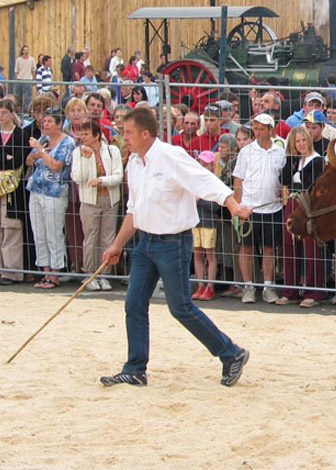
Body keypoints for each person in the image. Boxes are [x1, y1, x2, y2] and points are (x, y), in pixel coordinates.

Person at [99, 107, 252, 388]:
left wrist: (232, 205)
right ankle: (134, 368)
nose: (125, 137)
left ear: (146, 134)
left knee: (180, 307)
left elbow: (204, 180)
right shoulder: (134, 163)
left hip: (173, 243)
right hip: (145, 242)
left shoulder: (171, 156)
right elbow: (134, 210)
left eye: (129, 133)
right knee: (134, 304)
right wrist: (117, 245)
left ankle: (231, 353)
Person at [232, 113, 286, 304]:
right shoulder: (246, 152)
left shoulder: (280, 151)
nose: (258, 131)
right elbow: (237, 179)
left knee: (270, 249)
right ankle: (248, 287)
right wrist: (238, 207)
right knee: (246, 248)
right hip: (249, 208)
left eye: (262, 128)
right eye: (255, 128)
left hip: (273, 208)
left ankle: (268, 287)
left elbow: (283, 180)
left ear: (271, 130)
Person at [0, 99, 32, 284]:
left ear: (12, 113)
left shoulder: (20, 135)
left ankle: (11, 271)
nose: (0, 116)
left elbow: (17, 159)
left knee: (10, 227)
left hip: (13, 186)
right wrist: (3, 158)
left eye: (4, 112)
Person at [71, 118, 123, 291]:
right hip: (89, 201)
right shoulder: (78, 152)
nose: (82, 137)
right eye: (81, 133)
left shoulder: (112, 151)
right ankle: (89, 274)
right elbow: (78, 177)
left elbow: (118, 176)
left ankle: (104, 274)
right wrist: (86, 159)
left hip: (109, 199)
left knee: (107, 237)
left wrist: (101, 180)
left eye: (86, 134)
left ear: (97, 136)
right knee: (90, 238)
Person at [25, 109, 75, 289]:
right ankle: (44, 271)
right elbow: (29, 161)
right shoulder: (42, 140)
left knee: (53, 233)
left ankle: (54, 273)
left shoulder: (67, 142)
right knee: (39, 233)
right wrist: (37, 152)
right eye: (44, 121)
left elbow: (56, 166)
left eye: (49, 121)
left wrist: (41, 152)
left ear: (59, 123)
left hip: (54, 191)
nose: (45, 124)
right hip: (36, 189)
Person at [277, 125, 325, 307]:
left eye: (304, 140)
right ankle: (290, 290)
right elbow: (284, 180)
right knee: (289, 245)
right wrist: (291, 159)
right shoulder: (295, 160)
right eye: (297, 141)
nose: (301, 144)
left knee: (311, 246)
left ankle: (314, 290)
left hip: (308, 205)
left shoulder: (317, 160)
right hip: (292, 202)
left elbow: (310, 183)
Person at [191, 150, 221, 301]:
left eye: (205, 164)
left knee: (210, 255)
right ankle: (200, 284)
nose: (202, 166)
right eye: (200, 163)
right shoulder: (195, 181)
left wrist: (200, 200)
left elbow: (216, 206)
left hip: (208, 222)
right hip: (195, 221)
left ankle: (210, 286)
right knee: (197, 253)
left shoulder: (214, 182)